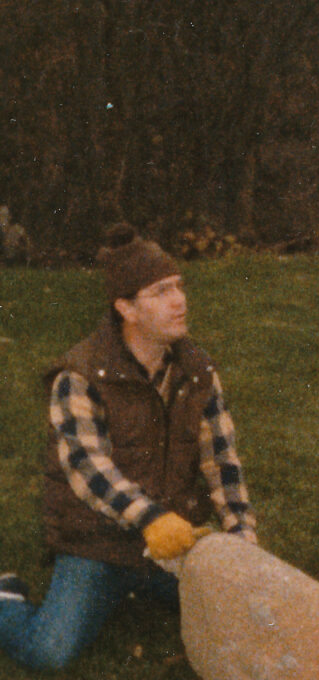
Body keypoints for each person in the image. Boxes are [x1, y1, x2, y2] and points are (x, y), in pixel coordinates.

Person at [0, 224, 257, 672]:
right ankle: (6, 597)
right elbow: (89, 469)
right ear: (126, 308)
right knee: (48, 652)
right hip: (96, 545)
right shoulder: (79, 376)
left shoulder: (198, 372)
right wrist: (152, 518)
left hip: (170, 545)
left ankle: (144, 587)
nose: (179, 301)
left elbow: (222, 461)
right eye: (161, 291)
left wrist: (242, 539)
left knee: (247, 615)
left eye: (179, 286)